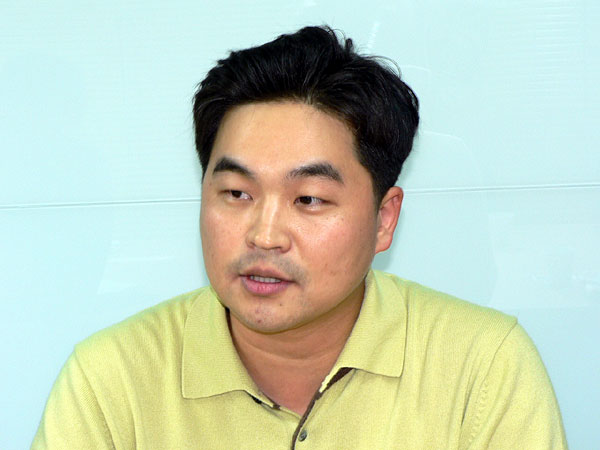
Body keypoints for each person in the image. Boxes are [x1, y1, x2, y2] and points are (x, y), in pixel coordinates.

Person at [32, 25, 567, 449]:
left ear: (384, 219)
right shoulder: (111, 379)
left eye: (309, 199)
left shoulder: (483, 366)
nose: (264, 236)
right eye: (236, 193)